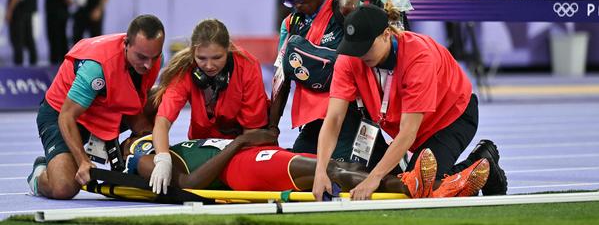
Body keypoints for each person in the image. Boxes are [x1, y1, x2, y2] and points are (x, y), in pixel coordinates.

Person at [313, 4, 508, 201]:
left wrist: (373, 178)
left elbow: (408, 131)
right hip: (413, 128)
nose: (361, 55)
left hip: (452, 117)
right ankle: (463, 181)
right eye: (356, 48)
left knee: (418, 185)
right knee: (403, 183)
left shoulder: (419, 57)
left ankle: (484, 163)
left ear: (386, 34)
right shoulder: (350, 58)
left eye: (367, 47)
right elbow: (334, 119)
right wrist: (320, 171)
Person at [268, 0, 391, 168]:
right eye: (290, 0)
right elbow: (281, 79)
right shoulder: (290, 24)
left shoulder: (339, 8)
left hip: (352, 116)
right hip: (314, 122)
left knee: (344, 174)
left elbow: (351, 12)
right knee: (295, 170)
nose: (296, 4)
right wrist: (272, 128)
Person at [27, 15, 165, 200]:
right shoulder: (96, 68)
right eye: (141, 57)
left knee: (161, 99)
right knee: (64, 187)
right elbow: (66, 117)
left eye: (153, 57)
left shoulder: (153, 59)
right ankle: (39, 174)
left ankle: (128, 156)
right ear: (126, 44)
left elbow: (134, 96)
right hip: (63, 114)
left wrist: (156, 149)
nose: (148, 64)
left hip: (106, 107)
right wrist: (83, 161)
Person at [123, 131, 437, 200]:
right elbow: (189, 182)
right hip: (241, 167)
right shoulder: (143, 159)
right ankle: (414, 186)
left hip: (248, 159)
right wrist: (238, 143)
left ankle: (434, 185)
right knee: (329, 171)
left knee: (337, 165)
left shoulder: (173, 147)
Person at [149, 19, 270, 195]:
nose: (209, 66)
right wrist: (162, 159)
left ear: (228, 50)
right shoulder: (184, 70)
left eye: (217, 58)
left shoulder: (247, 66)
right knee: (146, 161)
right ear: (192, 53)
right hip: (201, 148)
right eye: (201, 58)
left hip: (242, 148)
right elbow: (162, 121)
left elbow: (253, 131)